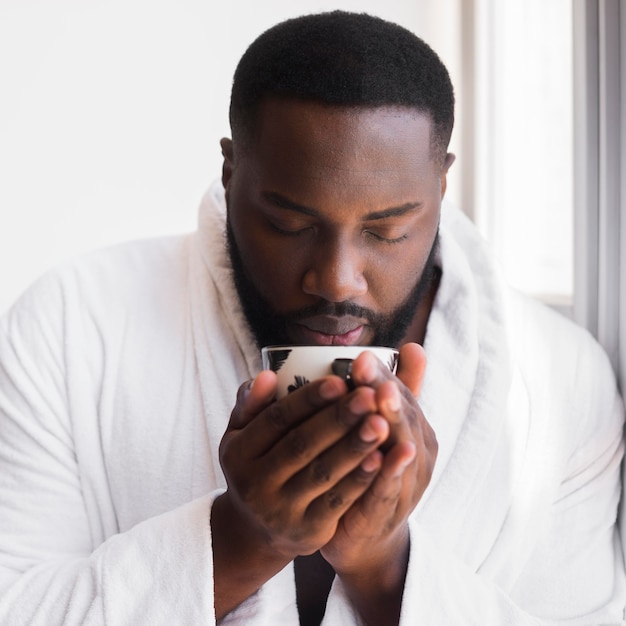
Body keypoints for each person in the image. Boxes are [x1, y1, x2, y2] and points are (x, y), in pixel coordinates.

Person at [0, 10, 623, 626]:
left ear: (441, 184)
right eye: (290, 224)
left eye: (388, 231)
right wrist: (243, 542)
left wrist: (385, 569)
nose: (335, 279)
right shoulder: (69, 327)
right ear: (230, 170)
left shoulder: (560, 385)